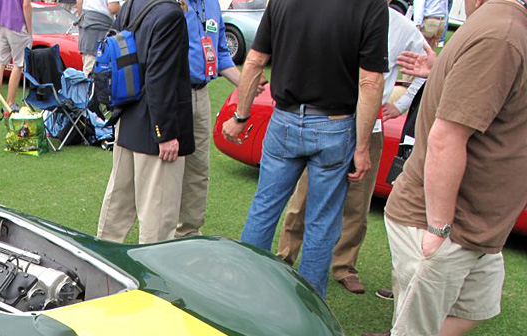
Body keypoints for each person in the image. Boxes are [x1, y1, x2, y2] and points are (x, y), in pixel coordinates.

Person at [372, 0, 527, 336]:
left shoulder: (503, 29)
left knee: (478, 307)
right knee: (412, 333)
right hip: (445, 223)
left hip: (479, 226)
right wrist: (438, 228)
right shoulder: (502, 35)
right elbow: (444, 139)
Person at [222, 0, 388, 298]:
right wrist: (362, 148)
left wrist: (241, 116)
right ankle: (309, 308)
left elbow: (255, 60)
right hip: (334, 126)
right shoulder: (370, 5)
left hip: (284, 119)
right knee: (322, 222)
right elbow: (371, 81)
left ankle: (242, 290)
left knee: (265, 206)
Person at [276, 5, 426, 294]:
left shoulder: (402, 28)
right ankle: (286, 254)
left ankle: (344, 265)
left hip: (369, 127)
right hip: (329, 119)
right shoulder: (339, 12)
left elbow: (429, 68)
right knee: (305, 194)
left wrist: (401, 104)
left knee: (358, 199)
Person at [95, 0, 193, 244]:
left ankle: (101, 268)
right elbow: (160, 76)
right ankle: (150, 278)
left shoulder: (131, 5)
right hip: (153, 127)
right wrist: (166, 133)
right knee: (157, 217)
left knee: (117, 207)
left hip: (128, 117)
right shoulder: (169, 14)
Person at [176, 0, 254, 237]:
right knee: (168, 171)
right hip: (173, 94)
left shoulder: (211, 4)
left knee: (198, 169)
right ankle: (161, 238)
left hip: (201, 93)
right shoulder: (171, 4)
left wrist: (247, 85)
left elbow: (219, 51)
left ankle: (189, 234)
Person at [0, 0, 32, 113]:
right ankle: (10, 102)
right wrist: (30, 30)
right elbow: (26, 5)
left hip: (2, 22)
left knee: (0, 63)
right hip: (17, 25)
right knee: (18, 64)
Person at [76, 0, 120, 77]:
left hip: (86, 26)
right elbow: (113, 7)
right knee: (97, 71)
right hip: (100, 28)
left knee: (88, 67)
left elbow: (79, 2)